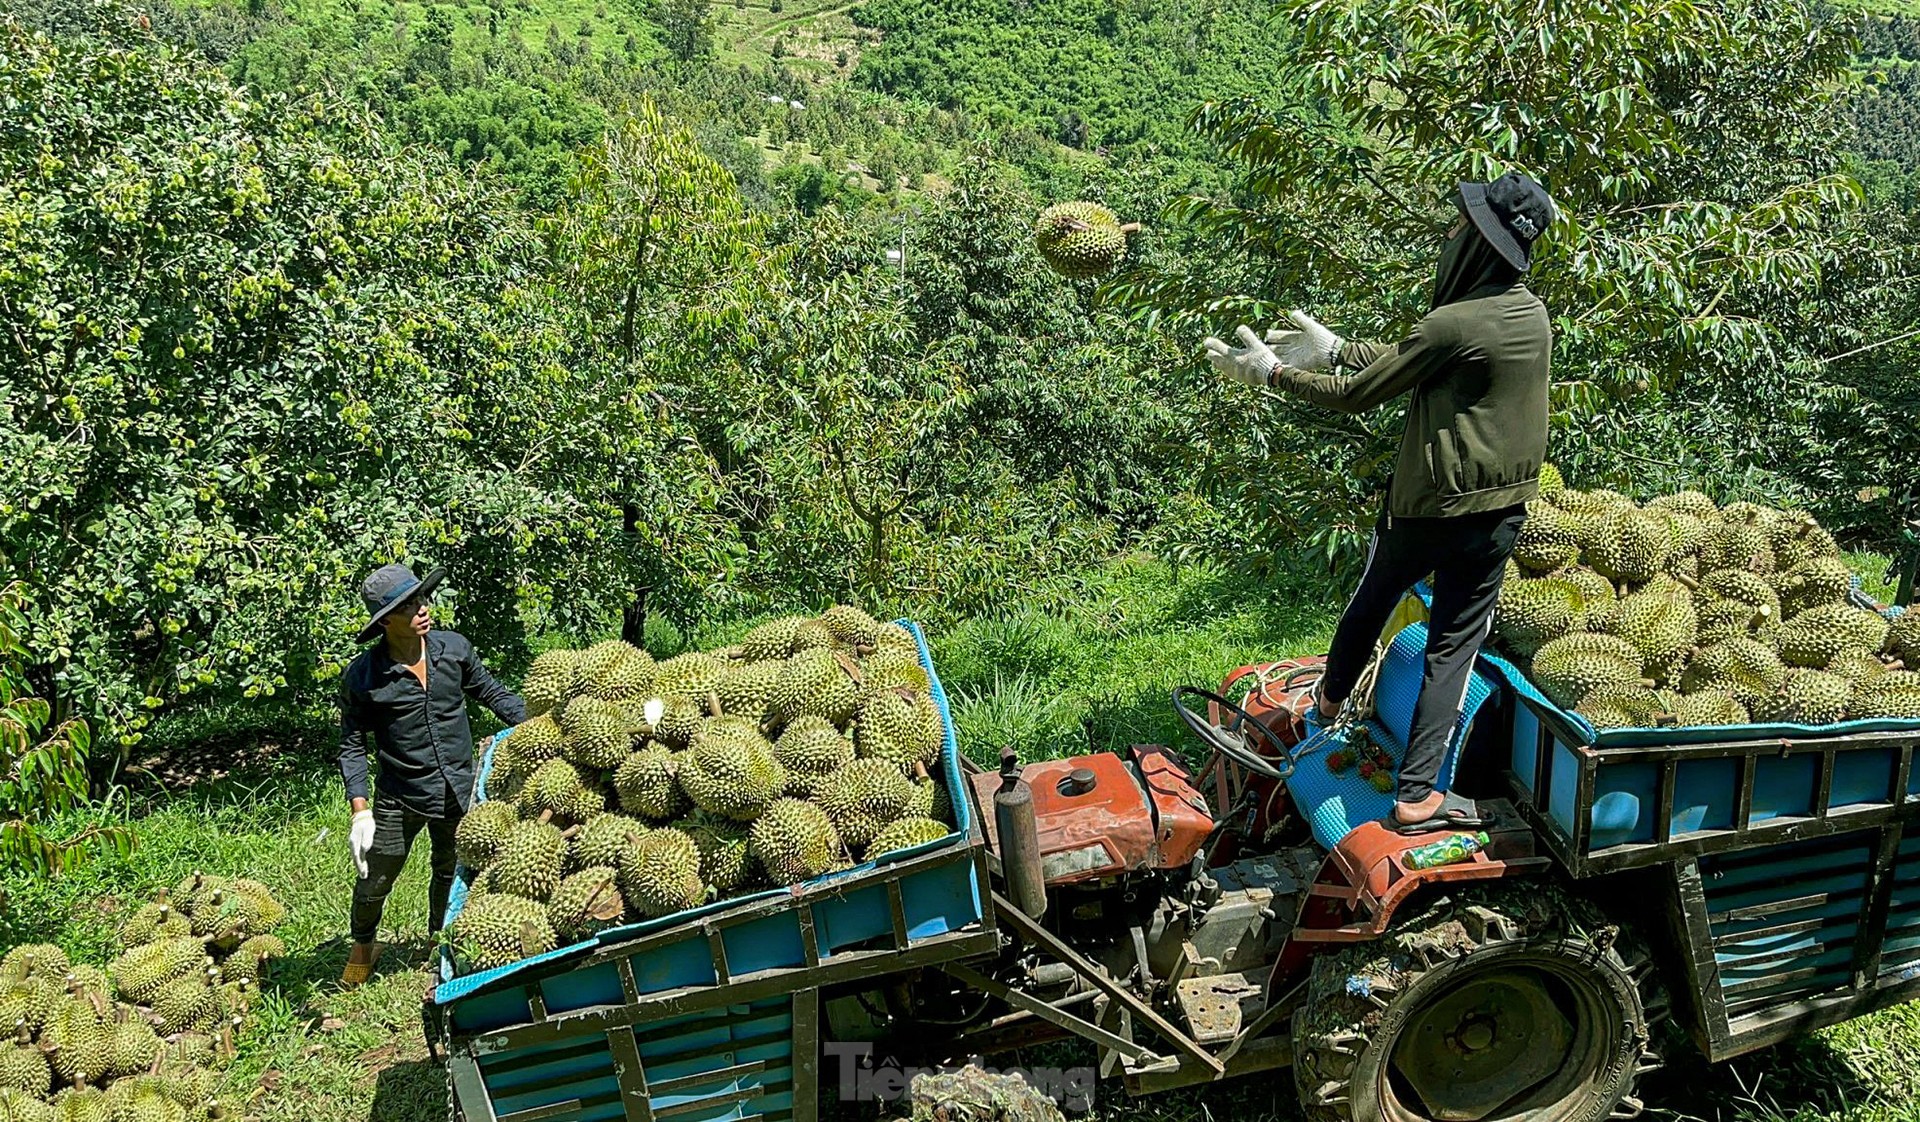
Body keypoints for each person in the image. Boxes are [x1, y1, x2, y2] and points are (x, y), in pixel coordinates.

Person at [1204, 170, 1556, 834]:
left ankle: (1327, 707)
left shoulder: (1453, 321)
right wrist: (1336, 348)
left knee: (1372, 599)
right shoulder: (1529, 315)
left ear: (1477, 246)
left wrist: (1274, 374)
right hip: (1500, 513)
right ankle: (1420, 794)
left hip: (1425, 511)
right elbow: (1406, 357)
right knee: (1454, 646)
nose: (1452, 235)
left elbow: (1359, 394)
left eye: (1461, 228)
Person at [336, 563, 526, 985]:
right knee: (375, 876)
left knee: (450, 870)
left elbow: (493, 693)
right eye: (409, 605)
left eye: (422, 598)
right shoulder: (364, 677)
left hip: (458, 787)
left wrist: (537, 722)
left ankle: (440, 943)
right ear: (386, 620)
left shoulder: (453, 649)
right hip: (399, 795)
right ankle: (363, 944)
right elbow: (352, 743)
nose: (423, 608)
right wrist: (359, 810)